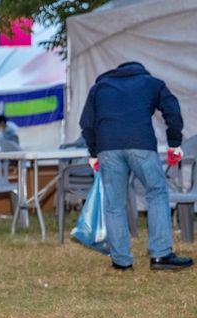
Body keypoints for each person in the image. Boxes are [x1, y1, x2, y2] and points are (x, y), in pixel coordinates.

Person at [80, 61, 192, 271]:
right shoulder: (151, 83)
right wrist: (174, 143)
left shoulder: (100, 88)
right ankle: (160, 254)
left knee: (114, 203)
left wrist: (94, 152)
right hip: (141, 144)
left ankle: (121, 261)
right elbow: (173, 110)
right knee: (157, 192)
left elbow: (86, 123)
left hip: (108, 147)